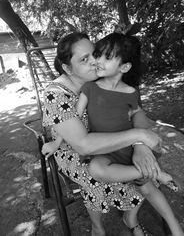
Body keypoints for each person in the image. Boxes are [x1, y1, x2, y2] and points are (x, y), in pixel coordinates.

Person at [42, 32, 162, 236]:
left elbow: (135, 112)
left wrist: (139, 146)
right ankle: (98, 227)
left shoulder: (107, 79)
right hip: (73, 150)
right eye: (84, 59)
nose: (95, 62)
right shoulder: (56, 94)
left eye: (95, 54)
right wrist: (139, 136)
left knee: (142, 163)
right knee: (96, 179)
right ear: (67, 68)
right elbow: (83, 145)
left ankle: (130, 219)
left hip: (111, 137)